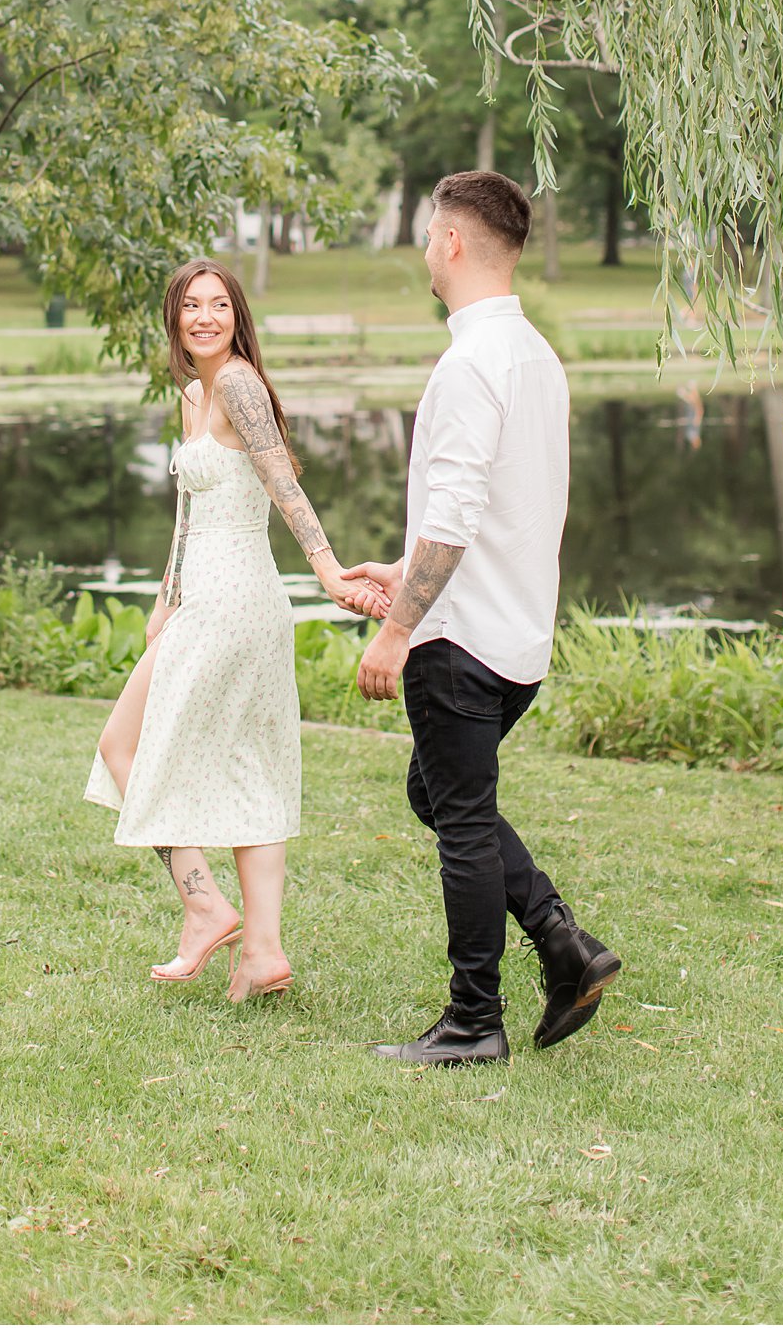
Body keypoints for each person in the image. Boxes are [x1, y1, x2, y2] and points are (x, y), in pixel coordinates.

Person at [349, 170, 621, 1064]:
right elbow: (511, 503)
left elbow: (461, 512)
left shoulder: (470, 362)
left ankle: (474, 1021)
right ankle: (560, 939)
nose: (426, 249)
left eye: (431, 234)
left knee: (460, 818)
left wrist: (398, 628)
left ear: (454, 243)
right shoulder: (535, 354)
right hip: (515, 633)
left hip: (458, 641)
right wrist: (403, 569)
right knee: (435, 793)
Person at [84, 258, 385, 1002]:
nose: (206, 317)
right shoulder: (195, 393)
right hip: (206, 599)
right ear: (175, 318)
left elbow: (283, 480)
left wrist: (328, 568)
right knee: (244, 763)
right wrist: (164, 594)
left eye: (220, 304)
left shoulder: (240, 384)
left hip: (234, 600)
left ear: (237, 313)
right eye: (193, 306)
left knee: (124, 744)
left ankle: (205, 905)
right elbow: (187, 512)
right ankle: (262, 950)